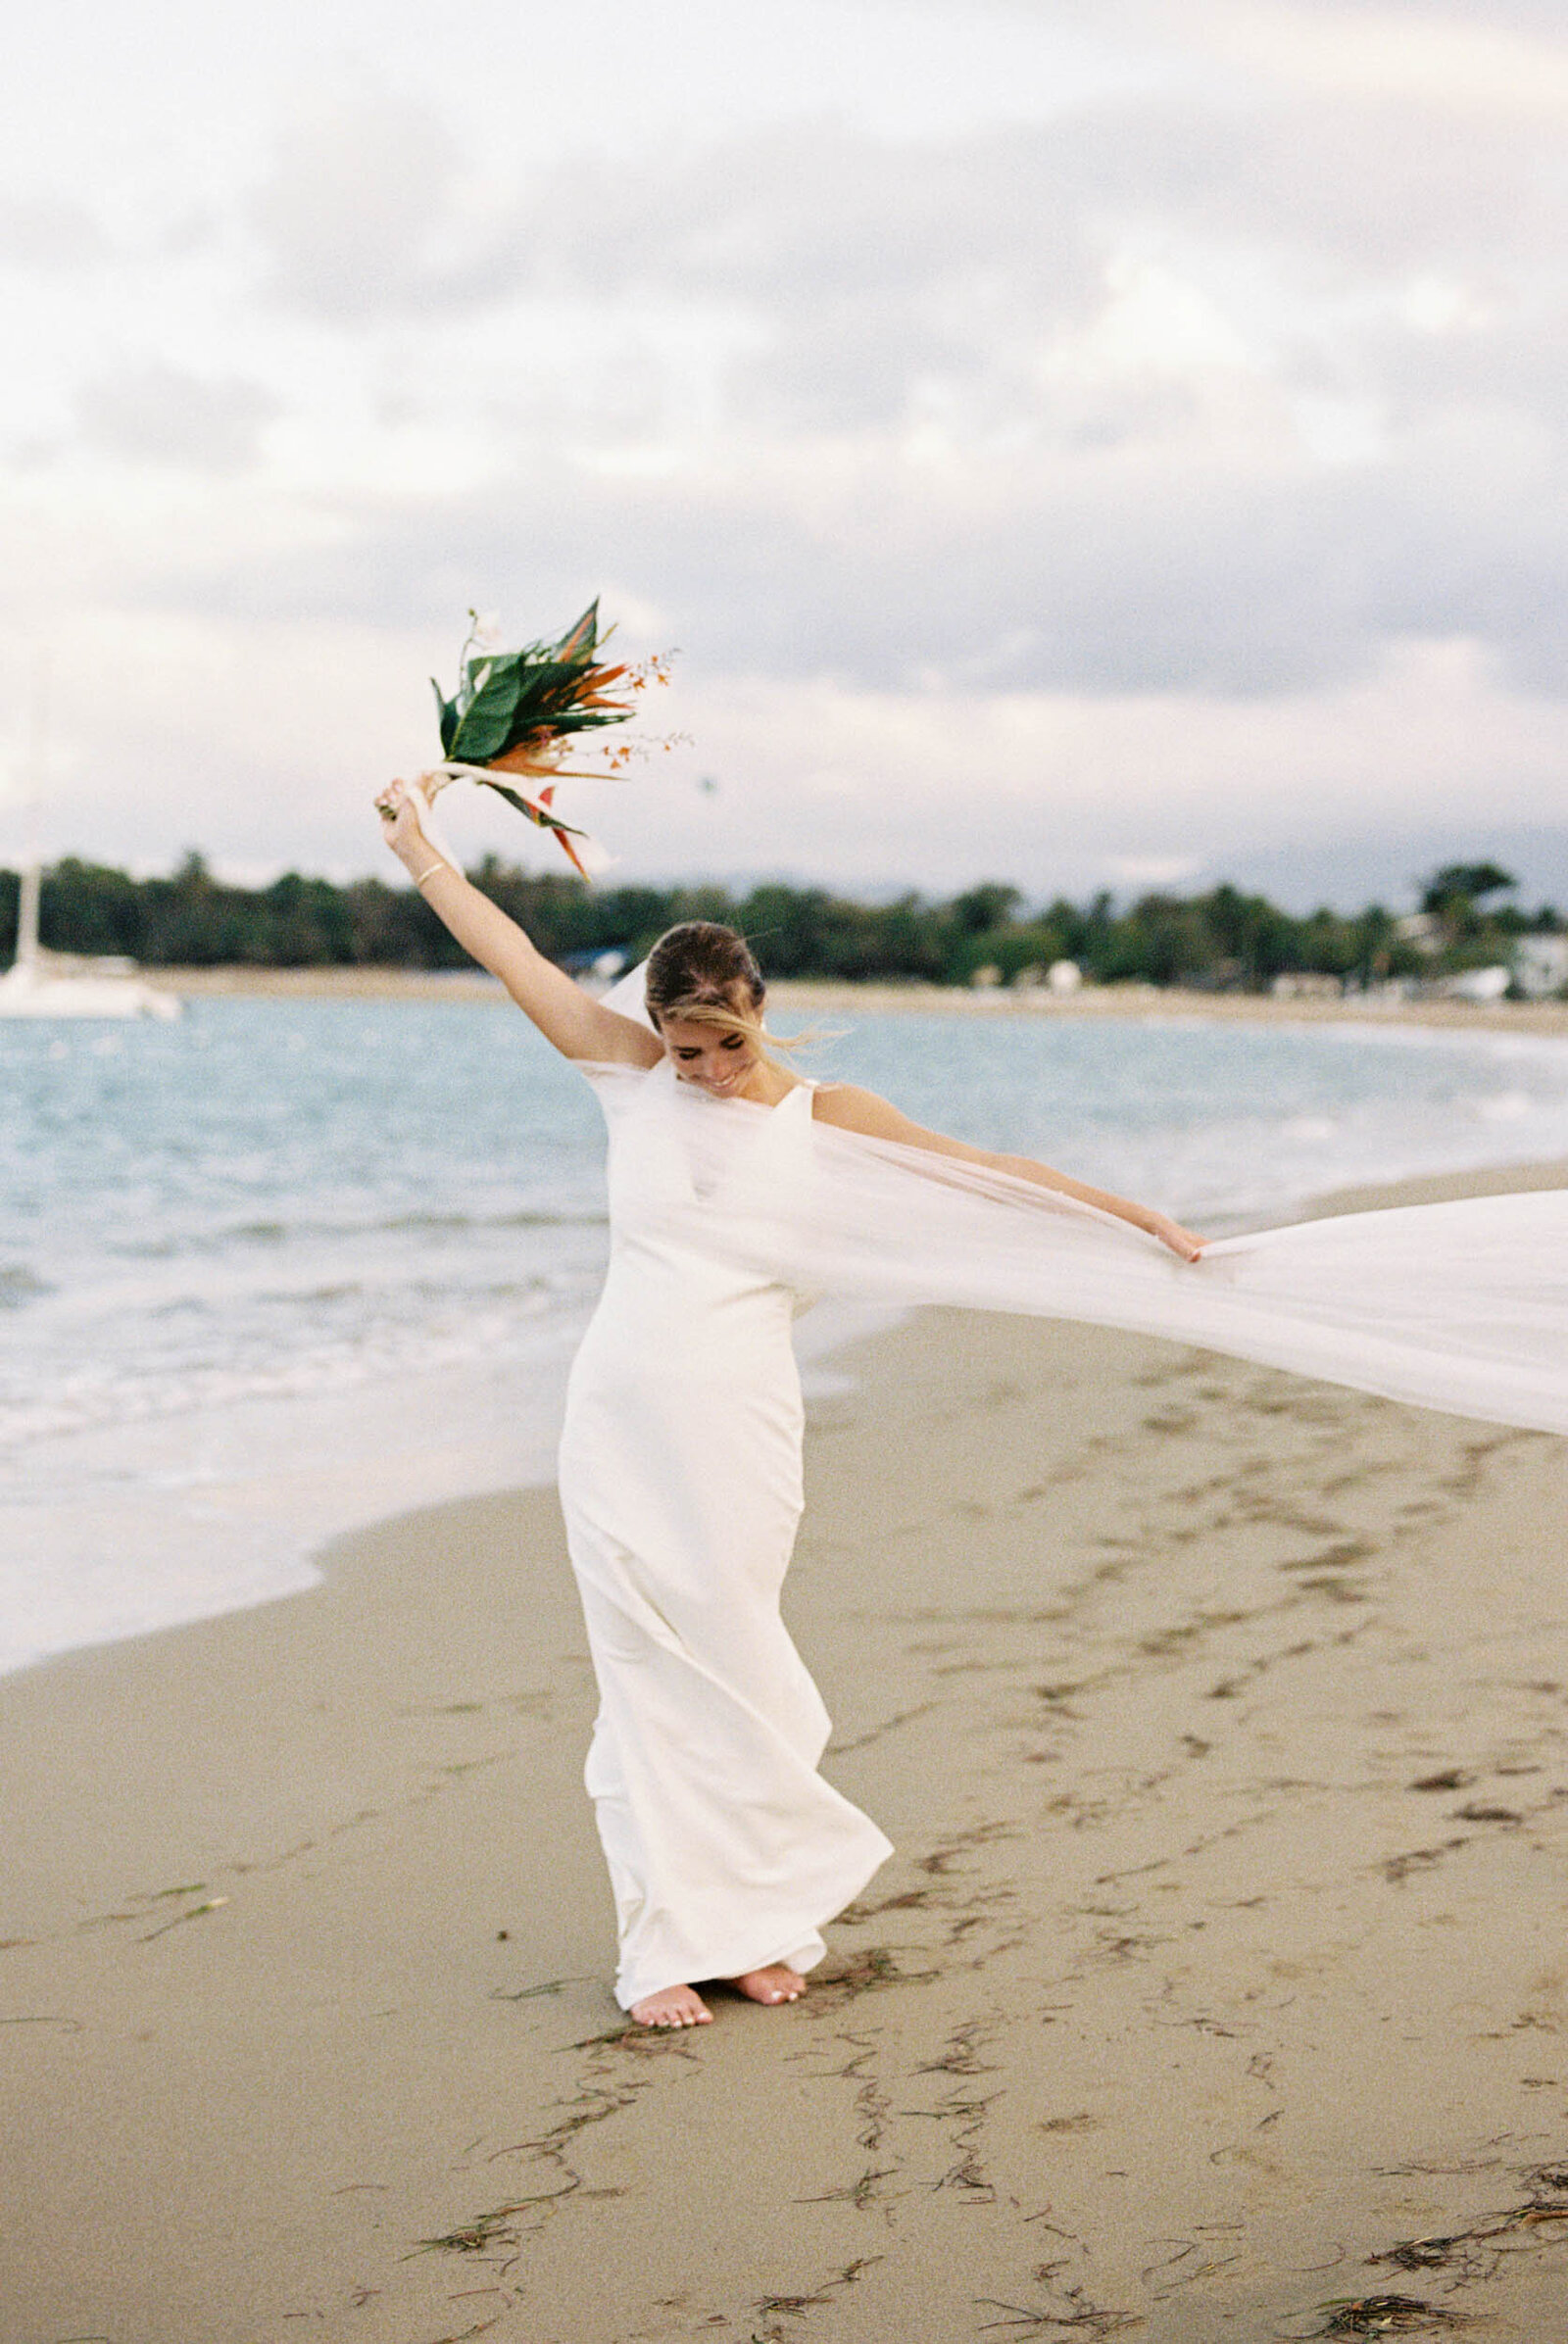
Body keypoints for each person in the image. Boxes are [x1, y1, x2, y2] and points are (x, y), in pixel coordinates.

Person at [375, 778, 1204, 2027]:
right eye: (686, 1045)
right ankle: (660, 1944)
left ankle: (753, 1924)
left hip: (741, 1424)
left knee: (741, 1664)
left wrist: (1131, 1214)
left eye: (727, 1046)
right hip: (621, 1414)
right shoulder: (625, 1074)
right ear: (655, 1023)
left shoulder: (831, 1122)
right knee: (652, 1668)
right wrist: (421, 851)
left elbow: (988, 1177)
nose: (705, 1071)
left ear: (762, 1016)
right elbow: (511, 953)